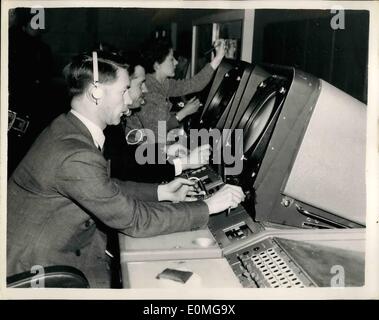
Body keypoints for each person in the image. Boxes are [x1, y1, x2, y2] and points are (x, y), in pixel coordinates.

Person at [7, 51, 245, 288]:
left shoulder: (68, 128)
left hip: (62, 252)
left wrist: (162, 193)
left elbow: (106, 186)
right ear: (96, 93)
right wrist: (209, 206)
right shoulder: (75, 153)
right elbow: (135, 220)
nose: (130, 101)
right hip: (42, 268)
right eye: (123, 92)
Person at [103, 58, 211, 183]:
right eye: (140, 84)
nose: (146, 90)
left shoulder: (114, 125)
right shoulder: (111, 126)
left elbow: (130, 156)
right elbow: (128, 171)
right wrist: (184, 163)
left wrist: (165, 150)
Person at [126, 38, 226, 143]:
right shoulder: (147, 89)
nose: (176, 62)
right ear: (157, 65)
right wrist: (184, 112)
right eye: (171, 59)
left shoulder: (164, 83)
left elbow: (194, 84)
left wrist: (218, 57)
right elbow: (157, 132)